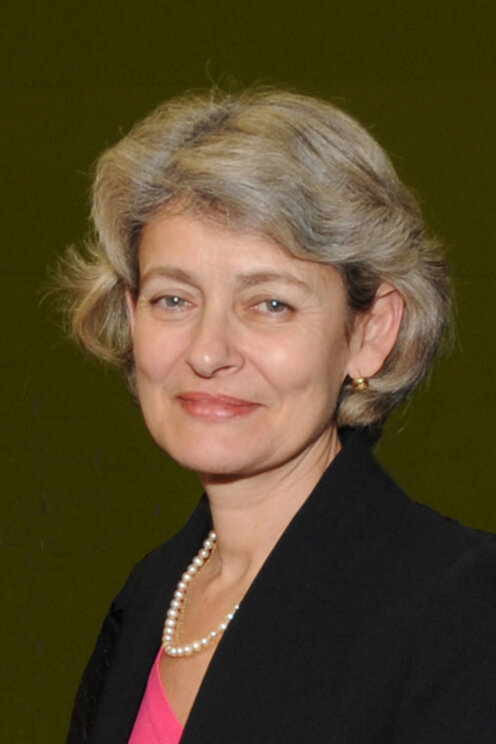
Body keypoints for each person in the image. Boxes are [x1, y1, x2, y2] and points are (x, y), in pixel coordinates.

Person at [60, 88, 496, 744]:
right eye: (174, 299)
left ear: (371, 332)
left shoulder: (459, 608)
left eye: (271, 305)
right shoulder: (150, 597)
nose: (208, 352)